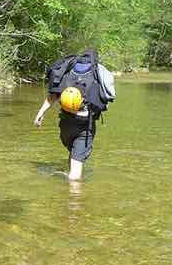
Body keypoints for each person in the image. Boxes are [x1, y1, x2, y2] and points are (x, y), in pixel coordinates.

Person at [33, 49, 115, 181]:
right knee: (75, 177)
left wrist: (41, 113)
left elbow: (53, 95)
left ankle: (66, 181)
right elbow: (105, 99)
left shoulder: (67, 71)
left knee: (72, 153)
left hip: (65, 125)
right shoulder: (97, 74)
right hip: (84, 127)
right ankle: (73, 199)